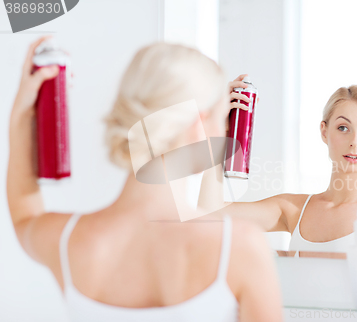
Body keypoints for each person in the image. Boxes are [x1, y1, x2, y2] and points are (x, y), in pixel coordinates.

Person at [7, 37, 283, 321]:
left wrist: (20, 116)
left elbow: (23, 215)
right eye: (223, 114)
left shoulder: (67, 240)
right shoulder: (240, 247)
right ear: (196, 125)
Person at [199, 76, 357, 261]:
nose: (355, 141)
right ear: (324, 131)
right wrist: (216, 132)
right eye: (343, 127)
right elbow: (207, 218)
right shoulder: (292, 210)